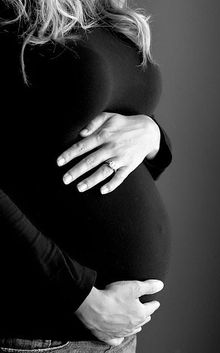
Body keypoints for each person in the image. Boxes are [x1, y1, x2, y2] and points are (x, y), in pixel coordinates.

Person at [0, 0, 172, 352]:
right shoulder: (9, 18)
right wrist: (81, 297)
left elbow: (94, 145)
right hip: (46, 329)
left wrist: (153, 136)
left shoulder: (104, 12)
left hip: (112, 332)